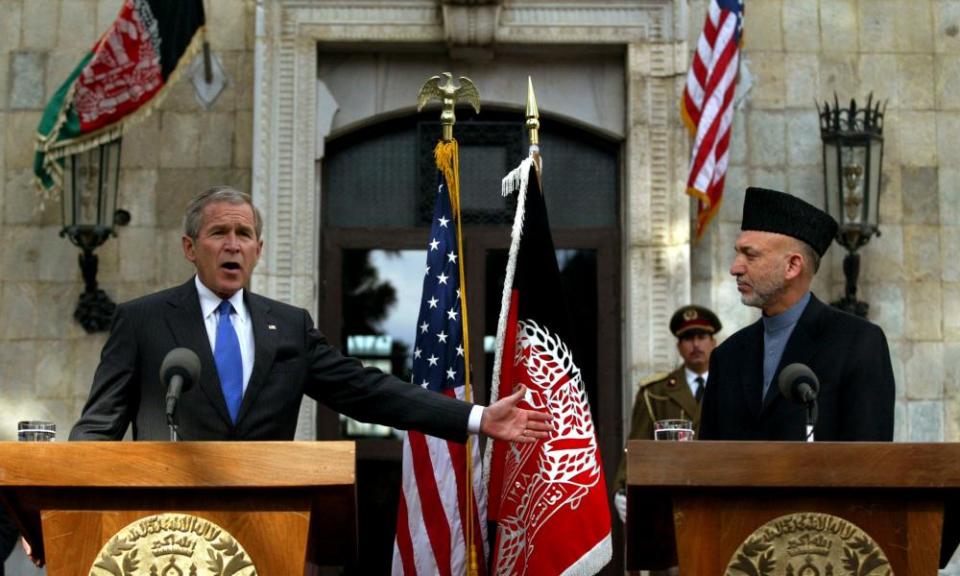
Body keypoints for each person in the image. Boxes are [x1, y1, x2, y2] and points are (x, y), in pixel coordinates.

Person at [70, 186, 551, 444]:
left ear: (259, 249)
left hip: (268, 523)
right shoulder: (143, 321)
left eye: (243, 234)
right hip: (167, 533)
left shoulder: (289, 327)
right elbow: (98, 427)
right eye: (219, 233)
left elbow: (368, 392)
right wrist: (53, 502)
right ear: (190, 248)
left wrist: (476, 416)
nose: (232, 244)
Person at [699, 187, 895, 441]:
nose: (735, 268)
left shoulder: (857, 343)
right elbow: (710, 459)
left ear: (792, 266)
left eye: (750, 255)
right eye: (738, 253)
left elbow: (870, 461)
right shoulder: (727, 357)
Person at [613, 304, 721, 494]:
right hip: (669, 489)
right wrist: (623, 487)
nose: (695, 345)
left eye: (702, 337)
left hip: (716, 487)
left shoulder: (729, 385)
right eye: (688, 338)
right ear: (679, 346)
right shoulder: (656, 392)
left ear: (713, 342)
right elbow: (638, 447)